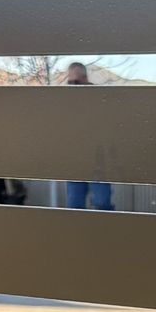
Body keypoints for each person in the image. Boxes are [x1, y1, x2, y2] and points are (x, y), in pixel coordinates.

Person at [60, 61, 113, 210]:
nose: (73, 86)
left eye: (76, 82)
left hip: (98, 160)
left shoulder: (98, 99)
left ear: (85, 78)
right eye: (70, 82)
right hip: (75, 159)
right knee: (74, 204)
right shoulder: (66, 102)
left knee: (102, 203)